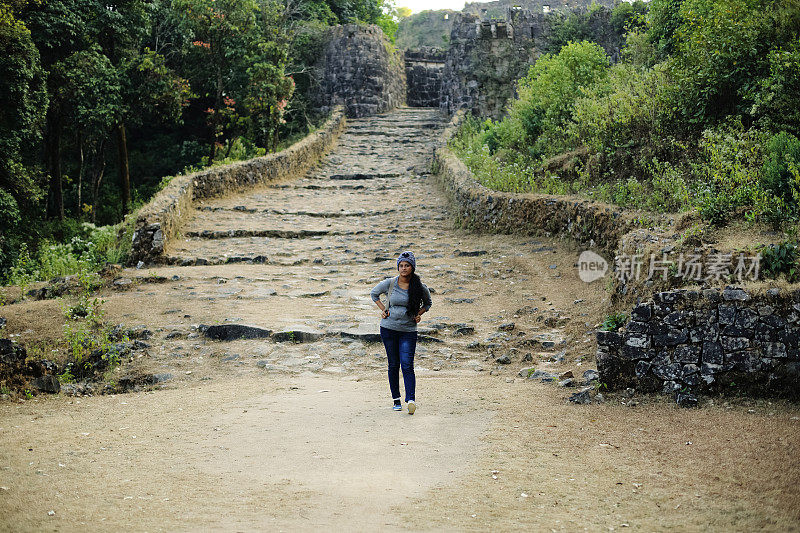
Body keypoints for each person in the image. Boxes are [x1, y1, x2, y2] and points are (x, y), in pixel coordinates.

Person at [370, 251, 432, 415]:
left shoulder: (420, 287)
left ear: (412, 267)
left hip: (408, 331)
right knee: (393, 364)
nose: (403, 268)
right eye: (401, 265)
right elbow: (373, 293)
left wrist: (419, 314)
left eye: (407, 265)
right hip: (388, 329)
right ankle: (396, 400)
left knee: (407, 364)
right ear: (398, 267)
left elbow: (428, 303)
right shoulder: (390, 283)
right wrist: (383, 309)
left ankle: (410, 399)